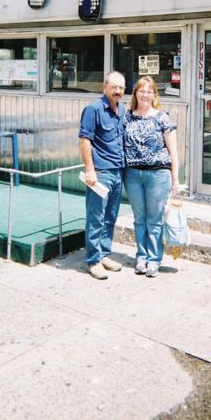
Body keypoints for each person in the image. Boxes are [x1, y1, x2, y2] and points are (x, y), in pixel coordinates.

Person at [124, 76, 179, 278]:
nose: (145, 94)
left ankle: (154, 259)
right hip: (132, 174)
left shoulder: (162, 118)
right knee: (139, 218)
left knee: (154, 220)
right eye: (141, 90)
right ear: (135, 93)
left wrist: (175, 179)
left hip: (157, 174)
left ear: (155, 95)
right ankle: (141, 256)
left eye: (149, 91)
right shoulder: (127, 117)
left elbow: (173, 152)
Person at [79, 71, 126, 280]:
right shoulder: (93, 109)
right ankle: (93, 260)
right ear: (104, 86)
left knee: (110, 217)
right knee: (96, 217)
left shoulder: (122, 109)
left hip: (118, 171)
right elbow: (85, 140)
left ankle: (104, 253)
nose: (118, 91)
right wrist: (90, 169)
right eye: (114, 87)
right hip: (101, 172)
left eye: (122, 88)